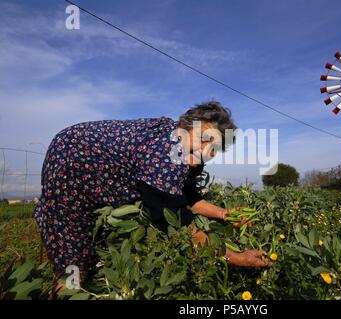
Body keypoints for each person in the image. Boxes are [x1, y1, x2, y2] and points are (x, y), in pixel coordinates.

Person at [34, 100, 271, 284]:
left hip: (87, 159)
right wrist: (236, 257)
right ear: (185, 127)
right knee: (74, 260)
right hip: (71, 158)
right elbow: (178, 224)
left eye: (214, 147)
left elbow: (186, 195)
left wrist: (224, 214)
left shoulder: (187, 152)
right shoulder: (164, 154)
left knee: (88, 247)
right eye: (203, 139)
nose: (204, 151)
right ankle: (67, 290)